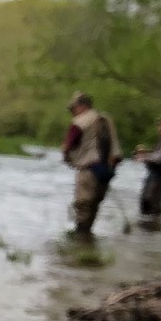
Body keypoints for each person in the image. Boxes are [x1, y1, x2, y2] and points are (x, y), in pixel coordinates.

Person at [61, 91, 120, 235]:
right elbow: (117, 152)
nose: (72, 112)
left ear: (81, 106)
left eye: (73, 108)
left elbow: (68, 145)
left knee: (82, 206)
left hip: (87, 170)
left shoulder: (80, 121)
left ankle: (80, 242)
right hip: (106, 171)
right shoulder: (106, 120)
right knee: (94, 207)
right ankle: (87, 240)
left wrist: (67, 157)